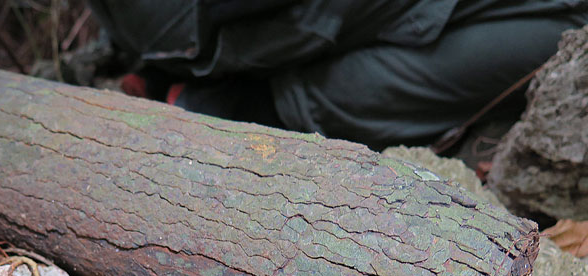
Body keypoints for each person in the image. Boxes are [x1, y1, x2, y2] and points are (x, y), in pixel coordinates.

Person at [89, 0, 588, 150]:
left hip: (182, 33)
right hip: (188, 24)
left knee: (561, 40)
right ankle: (246, 102)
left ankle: (245, 99)